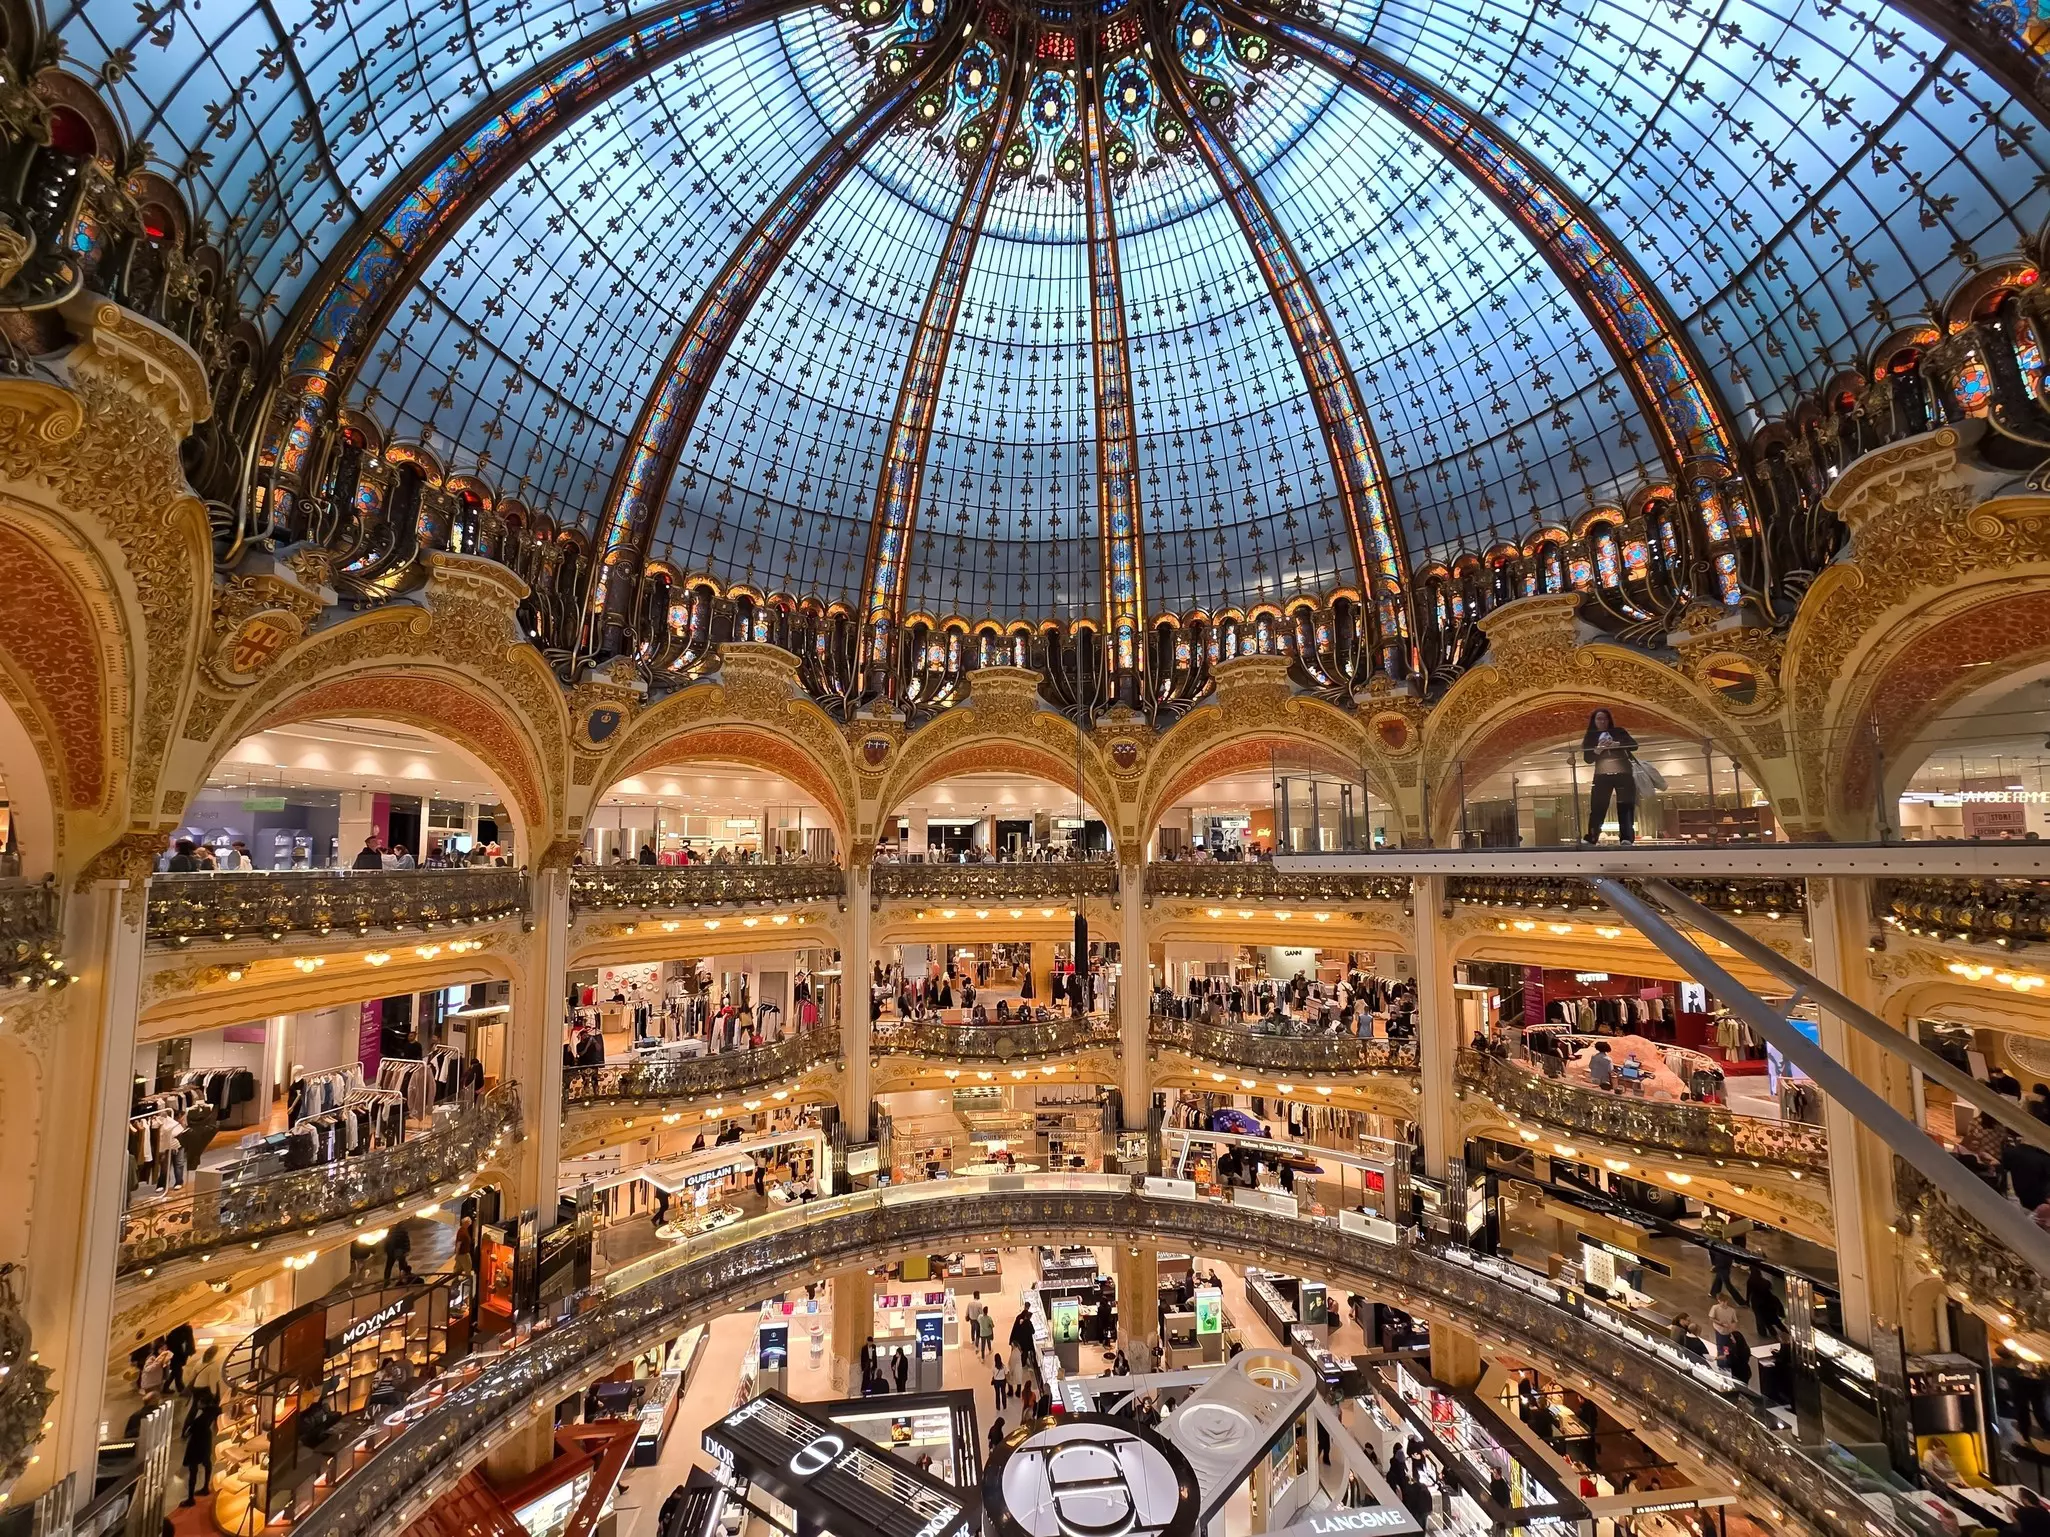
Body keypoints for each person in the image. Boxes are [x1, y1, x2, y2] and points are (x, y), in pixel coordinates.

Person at [1581, 708, 1639, 844]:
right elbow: (1588, 759)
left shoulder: (1618, 731)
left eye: (1605, 719)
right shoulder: (1590, 736)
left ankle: (1626, 838)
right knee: (1598, 807)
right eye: (1599, 719)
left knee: (1625, 806)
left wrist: (1617, 744)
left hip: (1623, 773)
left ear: (1609, 720)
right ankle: (1592, 837)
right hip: (1602, 774)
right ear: (1594, 721)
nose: (1602, 722)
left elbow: (1634, 745)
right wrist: (1598, 750)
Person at [178, 1389, 218, 1506]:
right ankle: (205, 1487)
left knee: (193, 1469)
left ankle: (190, 1498)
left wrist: (186, 1432)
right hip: (206, 1438)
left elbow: (188, 1432)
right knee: (207, 1462)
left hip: (196, 1442)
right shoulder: (212, 1411)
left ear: (203, 1404)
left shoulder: (198, 1419)